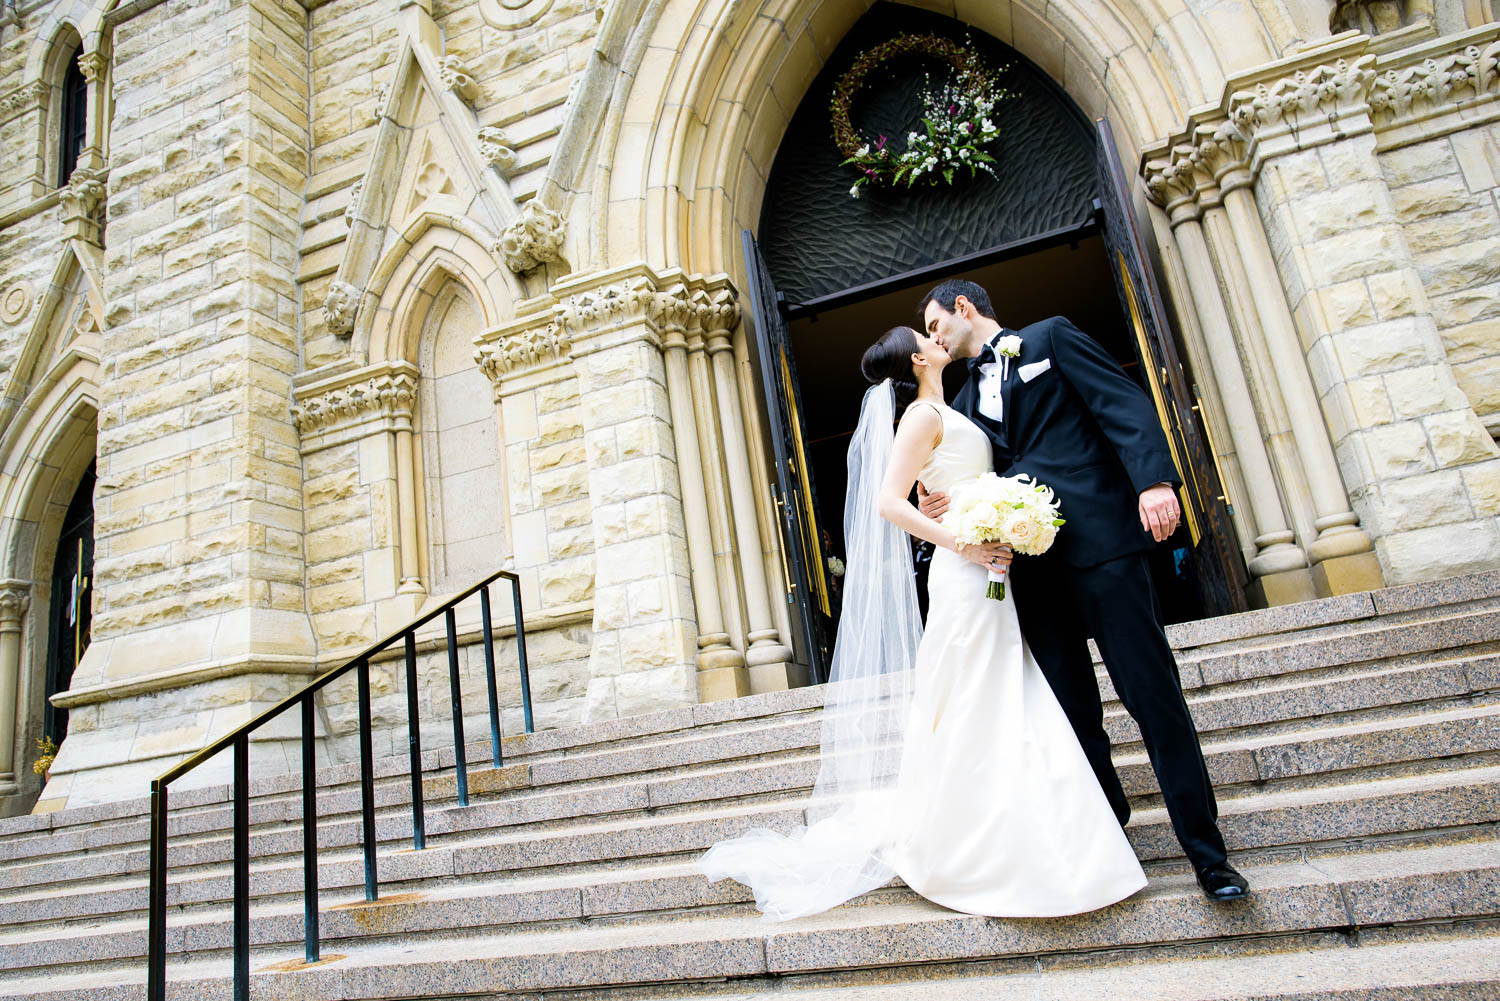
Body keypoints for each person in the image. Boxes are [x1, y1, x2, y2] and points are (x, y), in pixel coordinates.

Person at [700, 325, 1146, 921]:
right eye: (928, 335)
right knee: (975, 694)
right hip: (965, 569)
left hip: (989, 562)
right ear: (918, 358)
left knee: (1003, 689)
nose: (939, 337)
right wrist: (964, 543)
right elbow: (889, 501)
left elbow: (949, 479)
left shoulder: (948, 407)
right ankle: (975, 841)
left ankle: (1033, 823)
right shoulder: (917, 416)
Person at [916, 279, 1249, 901]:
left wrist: (1154, 481)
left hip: (1103, 545)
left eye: (936, 325)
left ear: (964, 308)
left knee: (1153, 696)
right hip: (1029, 569)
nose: (935, 338)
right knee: (1072, 713)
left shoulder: (1049, 336)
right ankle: (1111, 839)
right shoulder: (959, 399)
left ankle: (1208, 856)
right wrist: (939, 502)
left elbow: (1121, 404)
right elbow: (970, 470)